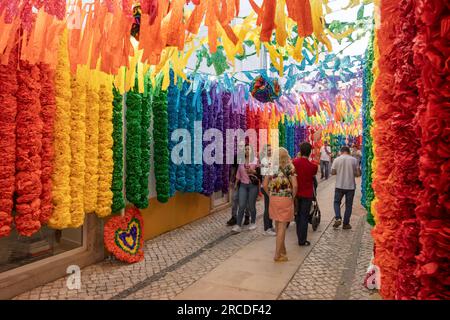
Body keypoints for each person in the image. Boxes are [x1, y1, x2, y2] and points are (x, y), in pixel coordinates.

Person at [263, 147, 297, 262]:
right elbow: (295, 185)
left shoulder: (271, 167)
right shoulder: (290, 167)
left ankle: (282, 250)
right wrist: (293, 196)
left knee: (277, 224)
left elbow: (264, 185)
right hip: (285, 198)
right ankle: (277, 254)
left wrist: (270, 194)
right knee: (282, 226)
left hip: (274, 198)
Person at [293, 142, 318, 246]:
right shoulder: (313, 166)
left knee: (297, 216)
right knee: (304, 216)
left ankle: (299, 236)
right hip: (307, 194)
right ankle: (302, 240)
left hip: (296, 193)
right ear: (309, 152)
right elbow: (313, 176)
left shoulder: (294, 162)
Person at [331, 146, 361, 229]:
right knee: (348, 205)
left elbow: (332, 172)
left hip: (339, 185)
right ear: (348, 152)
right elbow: (358, 174)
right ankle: (346, 223)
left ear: (341, 152)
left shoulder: (337, 159)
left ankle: (337, 217)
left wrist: (339, 171)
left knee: (336, 202)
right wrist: (352, 172)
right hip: (350, 186)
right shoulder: (354, 160)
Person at [232, 144, 259, 233]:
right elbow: (238, 174)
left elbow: (259, 173)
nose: (247, 151)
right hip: (243, 185)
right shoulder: (241, 161)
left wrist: (253, 171)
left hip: (253, 185)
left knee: (251, 205)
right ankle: (238, 225)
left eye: (249, 149)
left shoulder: (255, 160)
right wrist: (236, 184)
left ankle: (253, 222)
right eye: (245, 149)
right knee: (242, 205)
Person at [226, 155, 250, 226]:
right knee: (234, 198)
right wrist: (231, 180)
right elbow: (233, 169)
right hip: (237, 182)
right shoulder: (236, 157)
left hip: (246, 182)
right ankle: (234, 217)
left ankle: (247, 216)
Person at [260, 144, 276, 236]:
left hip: (272, 187)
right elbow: (265, 174)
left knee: (271, 207)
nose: (270, 152)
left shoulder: (272, 160)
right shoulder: (264, 161)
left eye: (271, 150)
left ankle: (270, 226)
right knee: (267, 208)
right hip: (266, 187)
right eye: (268, 150)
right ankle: (267, 228)